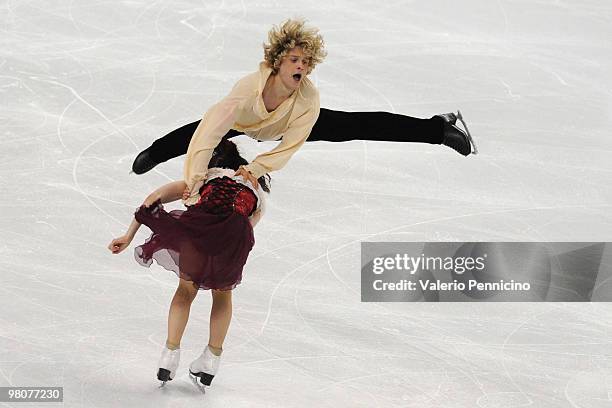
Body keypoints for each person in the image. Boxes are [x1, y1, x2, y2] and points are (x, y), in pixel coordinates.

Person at [131, 19, 477, 202]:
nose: (302, 67)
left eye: (306, 62)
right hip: (244, 120)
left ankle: (438, 130)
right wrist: (192, 178)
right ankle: (154, 151)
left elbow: (290, 145)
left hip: (287, 123)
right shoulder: (246, 90)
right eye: (295, 60)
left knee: (359, 125)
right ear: (278, 62)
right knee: (196, 130)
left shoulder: (307, 98)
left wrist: (256, 167)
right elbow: (208, 135)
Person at [108, 139, 268, 388]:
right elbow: (248, 226)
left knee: (185, 291)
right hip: (236, 237)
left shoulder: (204, 178)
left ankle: (169, 357)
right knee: (223, 295)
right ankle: (211, 360)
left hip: (198, 230)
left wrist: (128, 236)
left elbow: (153, 198)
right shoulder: (255, 189)